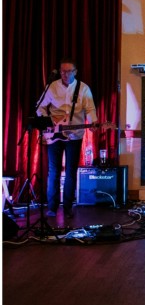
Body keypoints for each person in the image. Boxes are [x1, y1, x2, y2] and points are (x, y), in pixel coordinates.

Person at [35, 58, 98, 219]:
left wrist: (93, 122)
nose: (65, 74)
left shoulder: (83, 88)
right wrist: (48, 122)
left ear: (75, 72)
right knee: (53, 171)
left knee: (71, 171)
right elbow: (40, 107)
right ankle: (52, 207)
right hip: (54, 134)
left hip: (74, 135)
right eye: (62, 71)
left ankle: (68, 206)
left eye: (68, 71)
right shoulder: (52, 86)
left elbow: (90, 109)